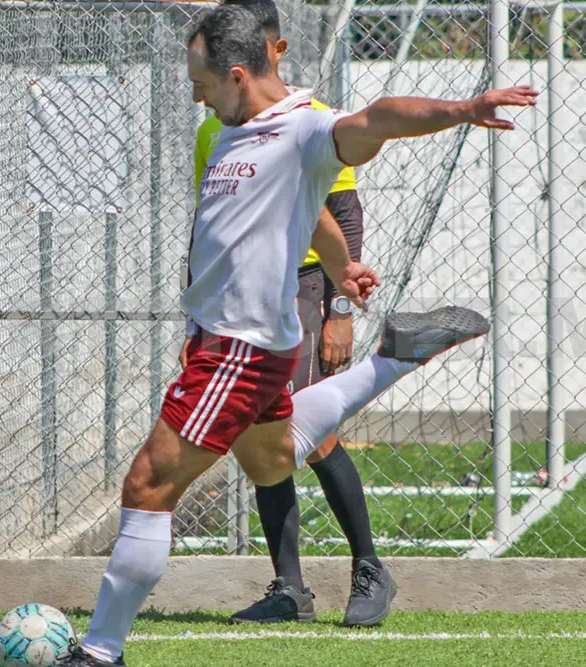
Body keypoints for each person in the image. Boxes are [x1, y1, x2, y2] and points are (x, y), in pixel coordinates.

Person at [60, 5, 537, 665]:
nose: (193, 92)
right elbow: (300, 206)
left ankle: (100, 650)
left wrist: (461, 108)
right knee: (271, 460)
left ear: (235, 74)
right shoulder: (233, 127)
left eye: (199, 79)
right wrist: (340, 264)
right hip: (225, 340)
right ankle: (393, 358)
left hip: (241, 346)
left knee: (147, 483)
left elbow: (377, 117)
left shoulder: (305, 125)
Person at [189, 0, 392, 628]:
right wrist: (197, 323)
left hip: (304, 285)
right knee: (261, 435)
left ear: (268, 52)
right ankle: (290, 589)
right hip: (241, 302)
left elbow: (344, 213)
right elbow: (209, 234)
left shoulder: (311, 122)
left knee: (305, 430)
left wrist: (337, 308)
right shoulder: (213, 130)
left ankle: (369, 568)